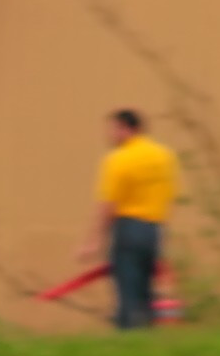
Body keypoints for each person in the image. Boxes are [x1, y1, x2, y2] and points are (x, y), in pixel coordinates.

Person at [77, 109, 179, 330]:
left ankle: (129, 337)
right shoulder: (164, 156)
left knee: (128, 294)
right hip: (153, 231)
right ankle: (146, 336)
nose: (110, 135)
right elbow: (169, 196)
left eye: (113, 129)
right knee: (146, 293)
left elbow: (108, 205)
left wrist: (93, 242)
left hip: (128, 230)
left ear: (127, 129)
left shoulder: (118, 159)